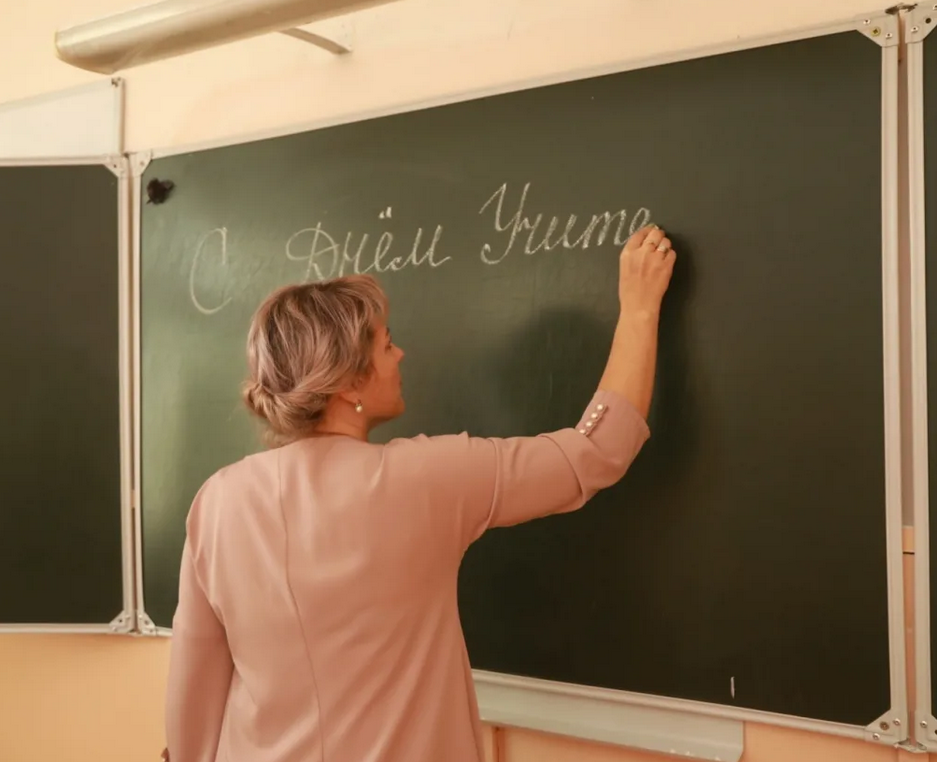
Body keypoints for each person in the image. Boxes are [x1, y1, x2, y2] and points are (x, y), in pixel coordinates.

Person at [163, 223, 677, 761]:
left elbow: (193, 697)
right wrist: (640, 307)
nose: (401, 354)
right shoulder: (425, 478)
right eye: (386, 345)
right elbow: (595, 450)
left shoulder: (217, 501)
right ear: (348, 383)